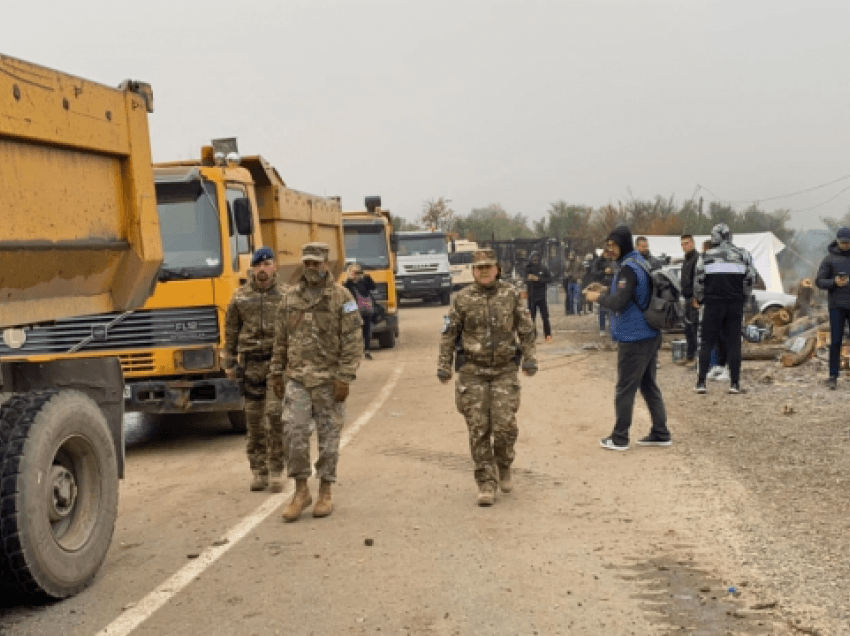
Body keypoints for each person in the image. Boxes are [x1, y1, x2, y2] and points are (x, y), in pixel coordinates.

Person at [269, 242, 363, 521]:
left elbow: (353, 340)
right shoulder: (289, 298)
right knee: (294, 433)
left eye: (316, 263)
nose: (311, 268)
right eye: (307, 263)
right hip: (297, 379)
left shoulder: (341, 297)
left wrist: (345, 377)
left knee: (329, 439)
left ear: (326, 264)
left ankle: (325, 491)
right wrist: (276, 371)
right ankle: (301, 491)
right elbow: (280, 339)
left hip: (328, 381)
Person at [437, 249, 538, 506]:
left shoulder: (511, 295)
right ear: (473, 271)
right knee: (478, 428)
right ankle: (485, 482)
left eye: (488, 267)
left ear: (497, 269)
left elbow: (526, 330)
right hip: (472, 371)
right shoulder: (462, 298)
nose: (483, 271)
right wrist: (444, 366)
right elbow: (449, 333)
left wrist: (530, 358)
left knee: (505, 426)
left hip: (504, 370)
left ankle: (504, 464)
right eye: (479, 267)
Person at [584, 226, 670, 451]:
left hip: (635, 337)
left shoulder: (628, 269)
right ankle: (661, 433)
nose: (609, 249)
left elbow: (619, 302)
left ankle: (619, 437)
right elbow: (629, 294)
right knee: (648, 385)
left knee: (625, 387)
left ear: (623, 243)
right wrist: (604, 288)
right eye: (608, 245)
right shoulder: (638, 263)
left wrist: (598, 297)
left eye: (613, 245)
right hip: (650, 333)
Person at [223, 247, 286, 492]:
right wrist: (229, 362)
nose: (262, 270)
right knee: (254, 420)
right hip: (250, 366)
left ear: (274, 267)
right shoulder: (240, 298)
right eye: (258, 266)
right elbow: (230, 333)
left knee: (274, 417)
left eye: (267, 265)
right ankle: (258, 471)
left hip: (277, 365)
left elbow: (296, 331)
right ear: (252, 269)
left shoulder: (286, 296)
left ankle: (276, 470)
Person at [693, 224, 757, 395]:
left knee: (706, 342)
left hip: (713, 304)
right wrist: (743, 297)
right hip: (734, 303)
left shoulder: (705, 256)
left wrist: (700, 299)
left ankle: (701, 383)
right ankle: (734, 384)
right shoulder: (743, 255)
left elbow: (698, 281)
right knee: (734, 343)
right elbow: (750, 279)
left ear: (714, 237)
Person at [815, 227, 850, 390]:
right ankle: (833, 376)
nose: (845, 245)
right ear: (837, 241)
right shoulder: (829, 259)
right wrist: (834, 282)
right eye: (843, 242)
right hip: (837, 306)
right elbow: (819, 281)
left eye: (848, 242)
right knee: (835, 341)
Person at [343, 263, 377, 360]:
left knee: (367, 330)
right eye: (353, 271)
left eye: (356, 271)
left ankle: (367, 350)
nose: (355, 273)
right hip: (352, 310)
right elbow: (344, 297)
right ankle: (355, 352)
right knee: (354, 332)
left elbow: (373, 287)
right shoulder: (347, 283)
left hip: (365, 309)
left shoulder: (363, 282)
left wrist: (367, 277)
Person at [679, 234, 699, 364]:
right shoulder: (686, 260)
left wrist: (696, 298)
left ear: (692, 243)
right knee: (688, 328)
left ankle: (697, 358)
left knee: (695, 328)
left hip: (694, 298)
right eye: (682, 244)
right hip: (686, 298)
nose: (684, 246)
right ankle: (690, 356)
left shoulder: (697, 259)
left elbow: (698, 280)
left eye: (686, 243)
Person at [524, 251, 552, 342]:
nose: (535, 260)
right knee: (531, 318)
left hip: (542, 297)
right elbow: (524, 279)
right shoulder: (528, 268)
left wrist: (538, 279)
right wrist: (528, 278)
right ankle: (533, 336)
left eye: (536, 258)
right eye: (533, 258)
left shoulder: (543, 268)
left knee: (545, 317)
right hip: (531, 297)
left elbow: (550, 279)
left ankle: (548, 335)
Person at [592, 249, 616, 336]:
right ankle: (602, 328)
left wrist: (613, 272)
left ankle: (612, 328)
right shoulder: (597, 262)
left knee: (612, 307)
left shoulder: (613, 261)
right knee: (602, 308)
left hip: (611, 286)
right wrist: (604, 272)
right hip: (601, 286)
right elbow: (594, 273)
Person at [563, 250, 585, 315]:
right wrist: (566, 274)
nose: (571, 257)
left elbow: (583, 271)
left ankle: (579, 310)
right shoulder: (567, 263)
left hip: (576, 281)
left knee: (577, 296)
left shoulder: (578, 263)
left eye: (572, 255)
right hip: (569, 281)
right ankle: (571, 311)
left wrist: (579, 277)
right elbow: (565, 272)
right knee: (570, 297)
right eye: (570, 255)